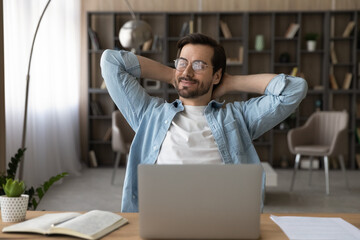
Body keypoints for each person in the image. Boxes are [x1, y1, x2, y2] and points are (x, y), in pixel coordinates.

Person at [100, 33, 307, 212]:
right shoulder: (149, 114)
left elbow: (293, 90)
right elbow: (111, 61)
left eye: (199, 65)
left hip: (221, 217)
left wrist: (231, 82)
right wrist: (174, 74)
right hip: (163, 215)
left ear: (217, 75)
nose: (188, 72)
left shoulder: (238, 117)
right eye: (182, 62)